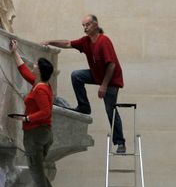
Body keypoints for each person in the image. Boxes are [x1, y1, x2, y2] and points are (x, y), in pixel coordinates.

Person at [43, 15, 126, 153]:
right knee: (76, 75)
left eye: (87, 25)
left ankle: (120, 142)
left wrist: (104, 86)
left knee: (110, 110)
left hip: (110, 80)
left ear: (95, 25)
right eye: (83, 26)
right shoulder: (86, 41)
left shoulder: (104, 41)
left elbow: (111, 65)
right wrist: (49, 41)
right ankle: (84, 106)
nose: (85, 28)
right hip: (97, 75)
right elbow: (68, 43)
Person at [10, 39, 63, 187]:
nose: (33, 66)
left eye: (36, 65)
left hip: (36, 133)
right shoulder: (41, 84)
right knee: (38, 169)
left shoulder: (39, 89)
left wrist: (26, 118)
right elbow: (25, 72)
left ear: (40, 71)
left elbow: (46, 112)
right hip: (43, 133)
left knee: (36, 172)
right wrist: (14, 52)